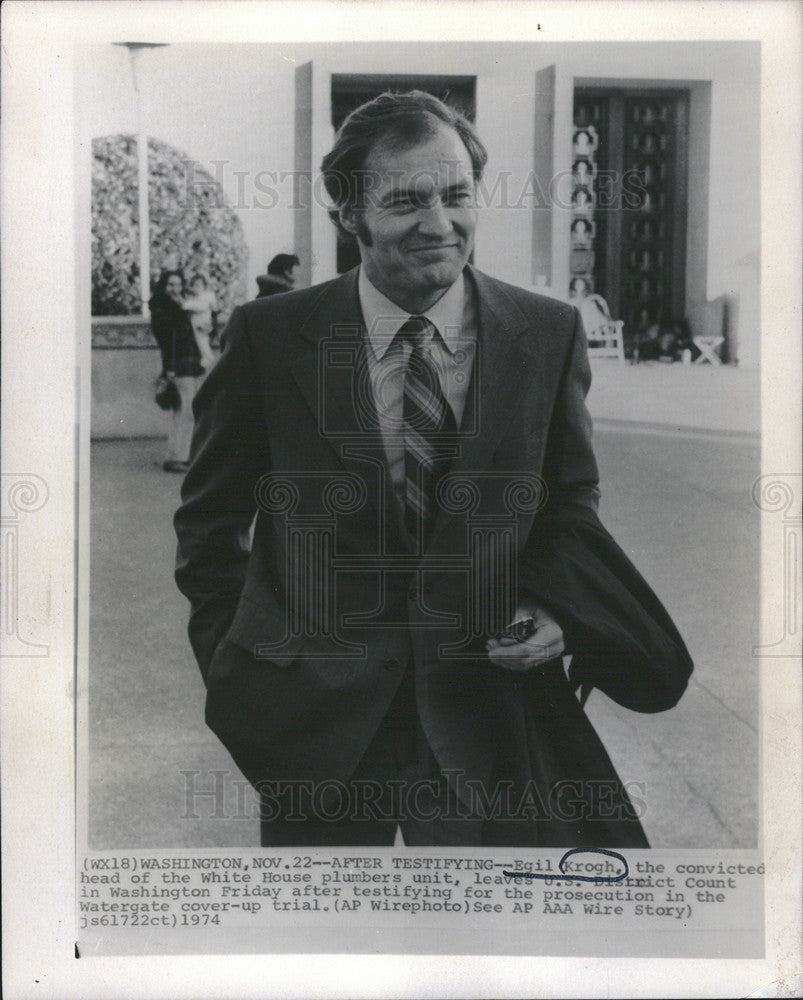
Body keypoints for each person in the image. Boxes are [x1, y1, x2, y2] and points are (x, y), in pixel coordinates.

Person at [175, 90, 693, 847]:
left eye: (455, 196)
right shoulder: (270, 337)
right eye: (404, 201)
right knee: (332, 952)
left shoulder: (545, 334)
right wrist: (238, 676)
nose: (438, 223)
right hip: (315, 726)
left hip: (488, 711)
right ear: (348, 211)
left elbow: (569, 501)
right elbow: (209, 523)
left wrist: (556, 611)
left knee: (500, 950)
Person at [149, 270, 204, 473]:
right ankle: (180, 457)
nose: (175, 289)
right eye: (171, 285)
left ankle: (175, 455)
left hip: (183, 363)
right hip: (179, 364)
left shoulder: (171, 307)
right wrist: (169, 369)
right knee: (187, 410)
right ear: (164, 287)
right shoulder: (166, 310)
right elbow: (169, 342)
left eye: (178, 285)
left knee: (181, 410)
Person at [182, 273, 218, 370]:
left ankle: (209, 357)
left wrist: (188, 305)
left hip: (203, 322)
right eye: (194, 285)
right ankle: (204, 357)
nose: (196, 288)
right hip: (196, 321)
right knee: (199, 341)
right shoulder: (195, 297)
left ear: (204, 286)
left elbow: (201, 307)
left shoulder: (206, 296)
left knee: (203, 340)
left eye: (199, 285)